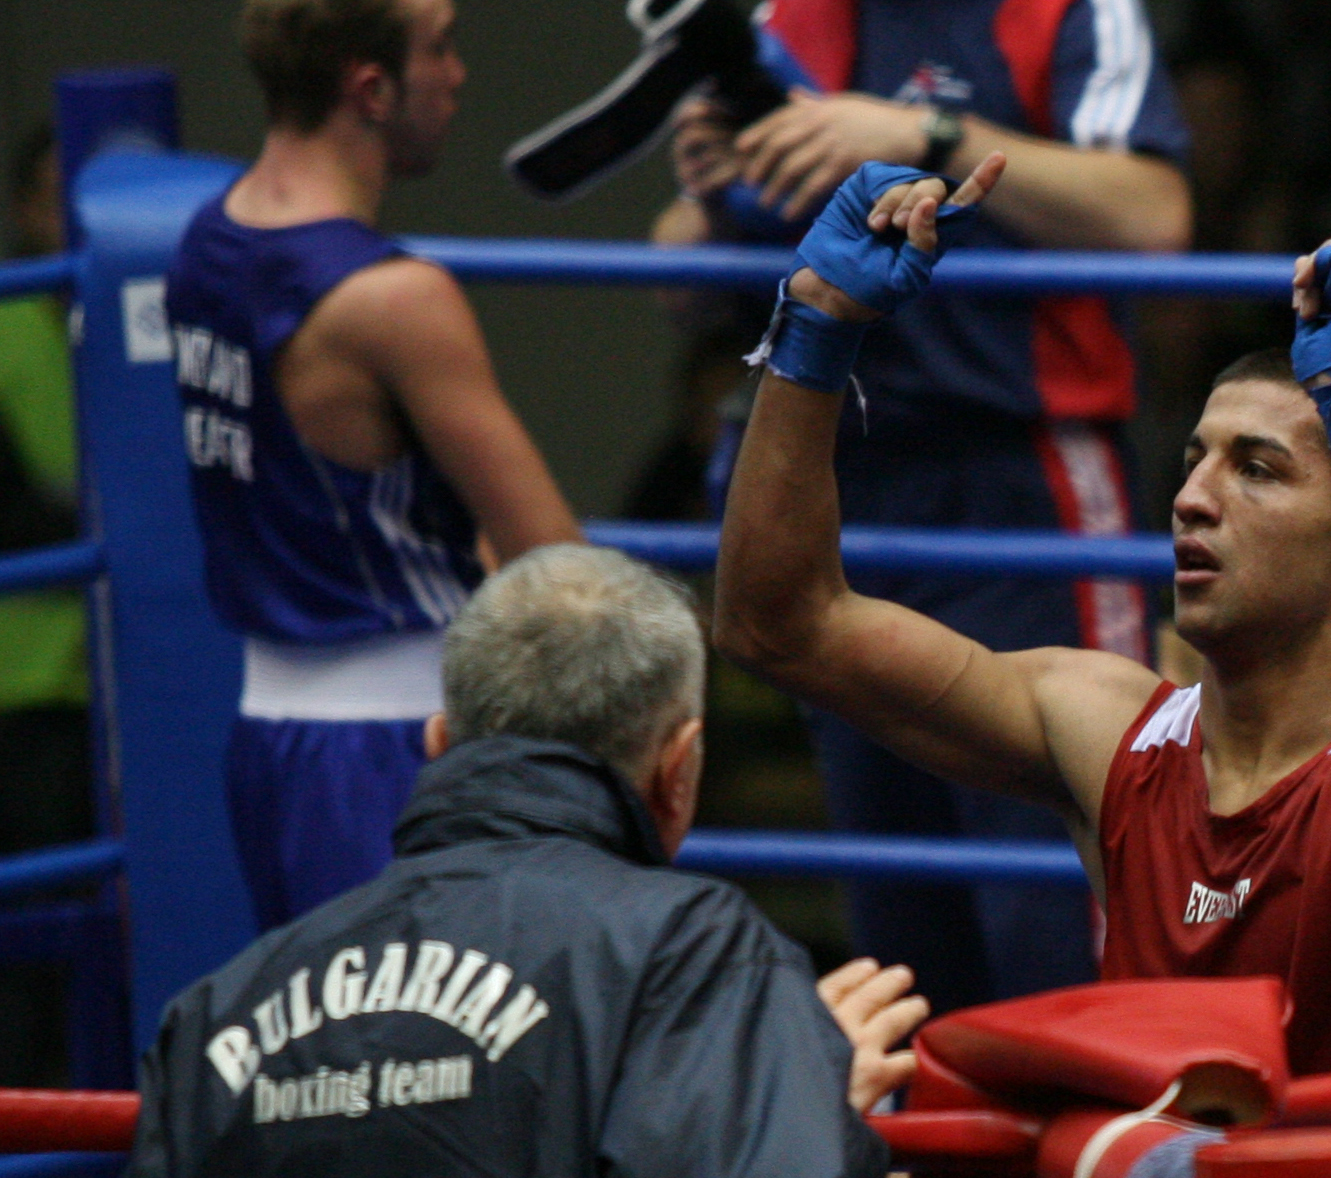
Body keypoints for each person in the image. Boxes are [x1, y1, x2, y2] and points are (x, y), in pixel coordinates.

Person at [715, 159, 1331, 1178]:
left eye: (1254, 467)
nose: (1191, 497)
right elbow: (780, 623)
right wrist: (814, 327)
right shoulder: (1106, 731)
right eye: (1193, 457)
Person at [655, 0, 1193, 1013]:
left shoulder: (1069, 12)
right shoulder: (784, 15)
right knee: (899, 910)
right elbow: (678, 279)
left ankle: (1108, 1153)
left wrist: (922, 135)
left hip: (1018, 480)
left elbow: (1153, 213)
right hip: (843, 475)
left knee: (1066, 888)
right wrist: (714, 188)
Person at [129, 543, 918, 1178]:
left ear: (436, 744)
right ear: (679, 772)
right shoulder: (690, 954)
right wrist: (787, 1107)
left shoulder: (216, 1009)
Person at [166, 0, 585, 930]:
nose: (458, 76)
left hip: (270, 738)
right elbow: (554, 563)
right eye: (441, 48)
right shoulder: (391, 298)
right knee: (430, 1059)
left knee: (325, 1059)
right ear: (369, 87)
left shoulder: (205, 245)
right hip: (398, 749)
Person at [0, 125, 93, 1084]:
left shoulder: (114, 323)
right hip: (23, 697)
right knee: (29, 951)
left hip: (94, 692)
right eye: (50, 193)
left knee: (87, 934)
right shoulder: (9, 324)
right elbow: (45, 505)